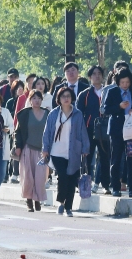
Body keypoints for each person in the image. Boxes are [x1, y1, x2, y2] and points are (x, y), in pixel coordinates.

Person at [42, 87, 89, 217]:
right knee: (62, 176)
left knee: (72, 178)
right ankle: (61, 202)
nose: (66, 98)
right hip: (56, 151)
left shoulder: (78, 114)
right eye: (63, 96)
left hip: (73, 151)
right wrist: (45, 149)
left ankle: (68, 207)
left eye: (68, 96)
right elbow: (47, 133)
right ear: (59, 99)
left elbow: (82, 131)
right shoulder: (53, 114)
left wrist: (85, 148)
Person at [104, 68, 132, 197]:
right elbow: (106, 109)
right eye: (122, 82)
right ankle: (115, 186)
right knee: (116, 158)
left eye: (127, 82)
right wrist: (119, 107)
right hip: (117, 129)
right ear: (118, 82)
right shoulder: (112, 92)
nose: (125, 85)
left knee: (131, 159)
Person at [14, 90, 50, 212]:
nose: (37, 100)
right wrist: (18, 146)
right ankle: (29, 200)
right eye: (34, 98)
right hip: (27, 148)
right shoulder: (24, 114)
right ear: (30, 100)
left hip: (42, 151)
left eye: (39, 98)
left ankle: (37, 199)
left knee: (40, 178)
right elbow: (17, 132)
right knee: (28, 177)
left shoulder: (47, 113)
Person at [77, 65, 110, 194]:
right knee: (87, 158)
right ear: (90, 77)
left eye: (99, 74)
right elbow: (79, 114)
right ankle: (85, 184)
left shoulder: (107, 92)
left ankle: (106, 185)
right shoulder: (84, 94)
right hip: (88, 129)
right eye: (94, 74)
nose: (97, 76)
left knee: (105, 157)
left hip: (104, 129)